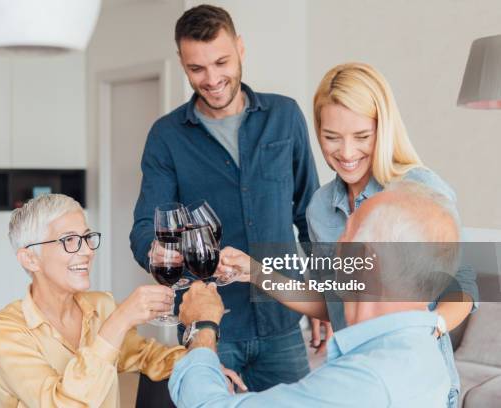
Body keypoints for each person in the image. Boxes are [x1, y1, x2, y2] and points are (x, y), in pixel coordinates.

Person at [217, 62, 477, 406]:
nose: (347, 152)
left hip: (411, 384)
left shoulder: (420, 189)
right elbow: (333, 303)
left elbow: (463, 288)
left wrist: (428, 330)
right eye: (331, 138)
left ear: (382, 128)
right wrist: (254, 272)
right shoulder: (321, 207)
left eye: (361, 137)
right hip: (351, 380)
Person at [129, 4, 319, 391]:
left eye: (222, 62)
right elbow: (145, 227)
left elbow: (309, 215)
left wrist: (322, 295)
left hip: (282, 317)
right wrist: (159, 253)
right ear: (182, 63)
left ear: (241, 49)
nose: (212, 79)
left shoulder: (285, 116)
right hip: (212, 325)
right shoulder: (166, 136)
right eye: (196, 69)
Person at [170, 181, 461, 407]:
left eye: (345, 236)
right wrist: (257, 272)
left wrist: (202, 328)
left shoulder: (365, 382)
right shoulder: (422, 352)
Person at [0, 194, 187, 407]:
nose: (87, 251)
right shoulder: (0, 331)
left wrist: (203, 363)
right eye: (69, 240)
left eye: (86, 238)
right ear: (30, 259)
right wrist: (119, 321)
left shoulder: (100, 305)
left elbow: (146, 355)